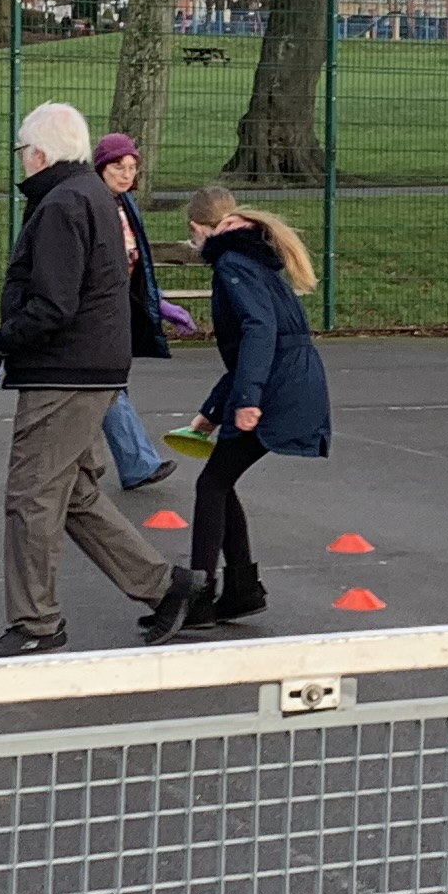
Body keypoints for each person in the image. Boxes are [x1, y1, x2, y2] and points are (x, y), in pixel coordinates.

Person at [0, 100, 191, 657]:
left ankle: (37, 622)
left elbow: (53, 305)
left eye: (22, 152)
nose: (21, 162)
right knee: (75, 493)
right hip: (94, 365)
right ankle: (164, 587)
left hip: (64, 370)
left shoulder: (62, 204)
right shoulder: (92, 195)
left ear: (38, 152)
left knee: (32, 496)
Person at [175, 184, 329, 631]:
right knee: (222, 481)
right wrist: (212, 411)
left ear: (196, 229)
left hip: (279, 386)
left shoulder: (229, 263)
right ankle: (241, 590)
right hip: (289, 378)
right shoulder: (251, 258)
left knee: (212, 485)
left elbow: (259, 332)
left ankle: (201, 597)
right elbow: (253, 344)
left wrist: (246, 402)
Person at [94, 130, 192, 490]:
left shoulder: (125, 205)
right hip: (98, 312)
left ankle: (131, 464)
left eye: (132, 167)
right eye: (118, 166)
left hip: (118, 309)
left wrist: (160, 304)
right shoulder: (93, 205)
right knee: (106, 385)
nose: (126, 174)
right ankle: (134, 464)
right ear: (101, 167)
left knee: (104, 388)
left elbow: (136, 265)